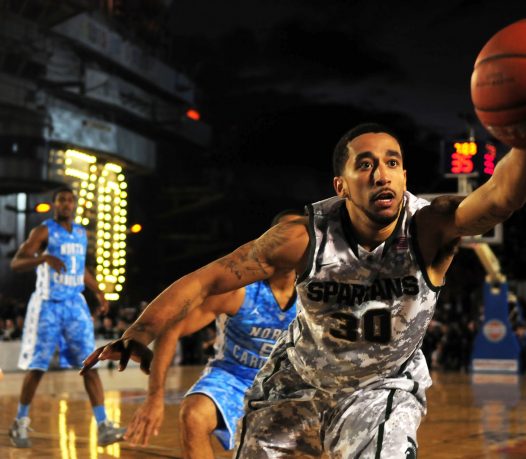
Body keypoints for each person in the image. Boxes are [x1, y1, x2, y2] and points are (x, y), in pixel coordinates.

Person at [82, 123, 526, 458]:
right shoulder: (302, 237)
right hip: (296, 384)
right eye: (365, 164)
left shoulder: (430, 227)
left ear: (405, 175)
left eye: (392, 162)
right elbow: (207, 279)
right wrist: (140, 331)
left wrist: (521, 136)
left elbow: (501, 195)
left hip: (381, 386)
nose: (381, 174)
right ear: (341, 185)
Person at [84, 210, 301, 457]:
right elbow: (173, 328)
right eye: (282, 234)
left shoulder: (317, 292)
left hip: (289, 383)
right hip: (234, 377)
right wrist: (155, 397)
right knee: (194, 414)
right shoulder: (239, 290)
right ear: (266, 242)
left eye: (297, 234)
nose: (290, 240)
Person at [9, 187, 126, 448]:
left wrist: (99, 292)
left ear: (74, 206)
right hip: (48, 305)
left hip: (75, 304)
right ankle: (20, 422)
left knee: (90, 363)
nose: (66, 204)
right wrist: (44, 258)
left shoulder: (82, 233)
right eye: (61, 200)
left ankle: (104, 425)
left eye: (70, 201)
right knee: (37, 367)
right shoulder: (43, 231)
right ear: (54, 205)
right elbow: (16, 262)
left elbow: (80, 267)